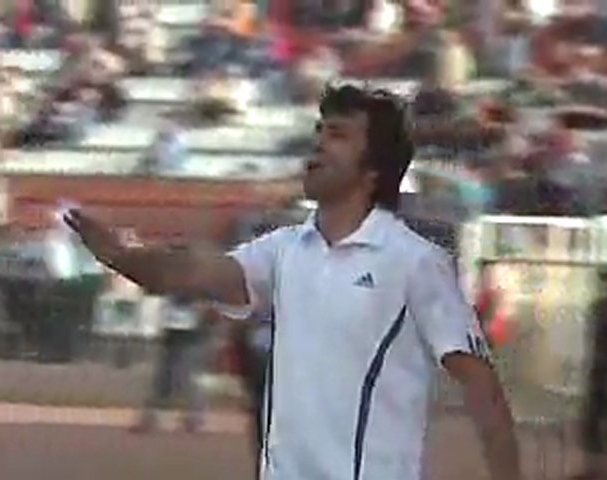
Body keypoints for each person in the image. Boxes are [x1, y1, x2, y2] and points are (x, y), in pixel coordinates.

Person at [64, 84, 521, 480]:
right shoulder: (283, 250)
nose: (318, 144)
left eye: (338, 135)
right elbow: (196, 273)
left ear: (374, 169)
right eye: (319, 131)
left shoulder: (416, 264)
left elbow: (481, 385)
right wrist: (124, 257)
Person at [131, 296, 210, 434]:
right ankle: (148, 417)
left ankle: (195, 418)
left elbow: (203, 310)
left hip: (189, 338)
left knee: (184, 379)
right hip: (171, 336)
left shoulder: (197, 293)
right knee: (161, 379)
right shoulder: (172, 294)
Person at [572, 265, 607, 480]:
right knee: (592, 418)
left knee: (593, 418)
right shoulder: (598, 307)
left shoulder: (598, 307)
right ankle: (594, 466)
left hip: (599, 368)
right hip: (599, 368)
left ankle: (594, 467)